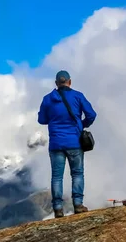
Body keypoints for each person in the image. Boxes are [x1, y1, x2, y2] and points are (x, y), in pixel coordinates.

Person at [37, 70, 97, 218]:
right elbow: (92, 114)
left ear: (56, 83)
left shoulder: (47, 99)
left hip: (56, 143)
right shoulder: (78, 96)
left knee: (57, 177)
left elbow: (41, 120)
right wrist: (81, 125)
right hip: (74, 143)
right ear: (70, 82)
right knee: (77, 173)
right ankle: (78, 205)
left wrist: (54, 118)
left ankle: (58, 209)